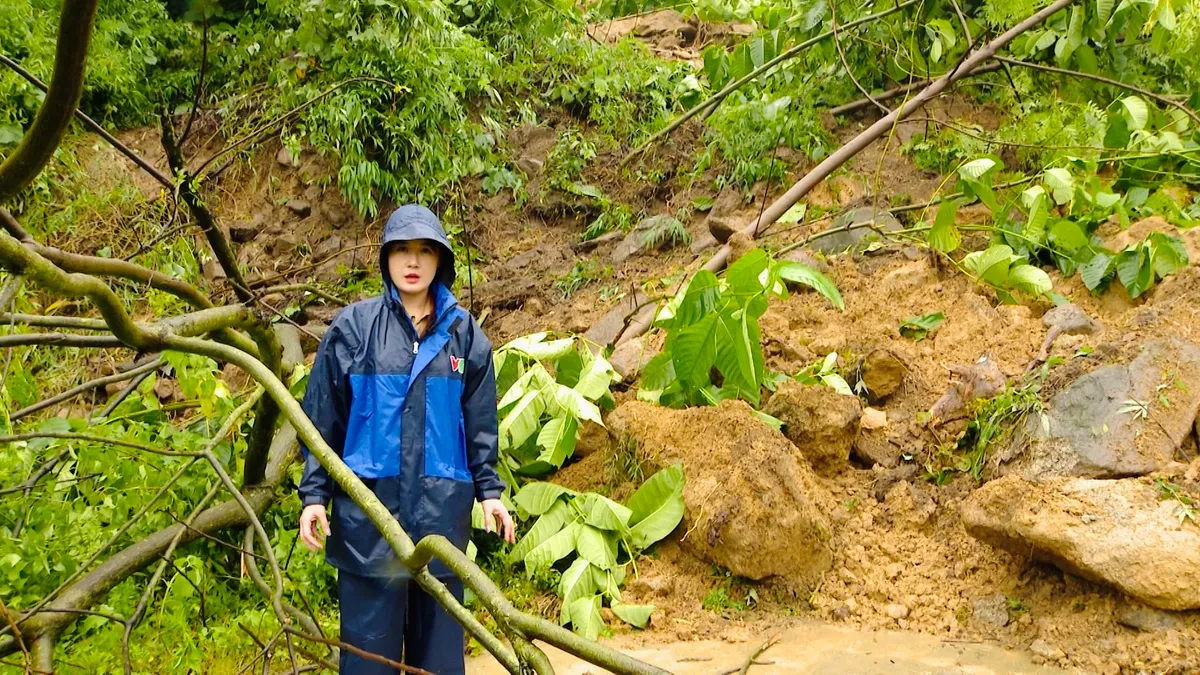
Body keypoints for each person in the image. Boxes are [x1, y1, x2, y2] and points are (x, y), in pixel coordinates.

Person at [296, 204, 515, 674]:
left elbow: (479, 425)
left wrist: (490, 492)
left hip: (441, 529)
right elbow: (321, 422)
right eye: (401, 251)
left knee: (437, 666)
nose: (412, 262)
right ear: (386, 259)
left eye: (423, 251)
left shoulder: (464, 336)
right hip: (368, 530)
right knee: (367, 665)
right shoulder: (353, 330)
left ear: (441, 260)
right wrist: (313, 496)